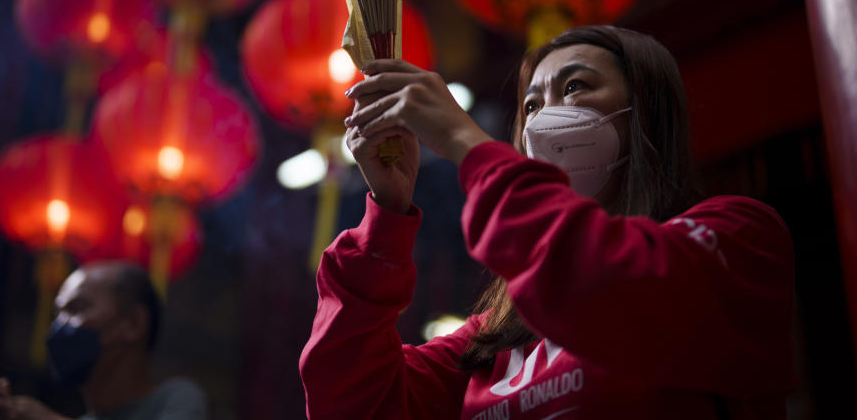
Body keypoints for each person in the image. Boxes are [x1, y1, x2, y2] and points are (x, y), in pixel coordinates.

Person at [299, 26, 795, 419]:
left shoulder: (740, 238)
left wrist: (463, 141)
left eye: (575, 87)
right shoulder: (490, 343)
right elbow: (351, 402)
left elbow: (604, 281)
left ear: (642, 110)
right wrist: (387, 211)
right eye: (531, 105)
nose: (542, 119)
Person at [0, 261, 207, 420]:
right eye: (57, 314)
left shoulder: (176, 399)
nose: (57, 327)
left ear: (133, 323)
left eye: (77, 308)